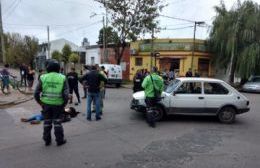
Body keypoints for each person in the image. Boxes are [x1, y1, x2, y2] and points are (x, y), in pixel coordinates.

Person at [34, 59, 69, 146]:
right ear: (58, 68)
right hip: (58, 104)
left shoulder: (43, 77)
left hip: (46, 104)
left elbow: (36, 93)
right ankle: (59, 140)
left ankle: (47, 140)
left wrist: (40, 102)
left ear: (48, 68)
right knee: (57, 122)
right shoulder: (63, 78)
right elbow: (66, 94)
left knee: (47, 122)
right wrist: (64, 104)